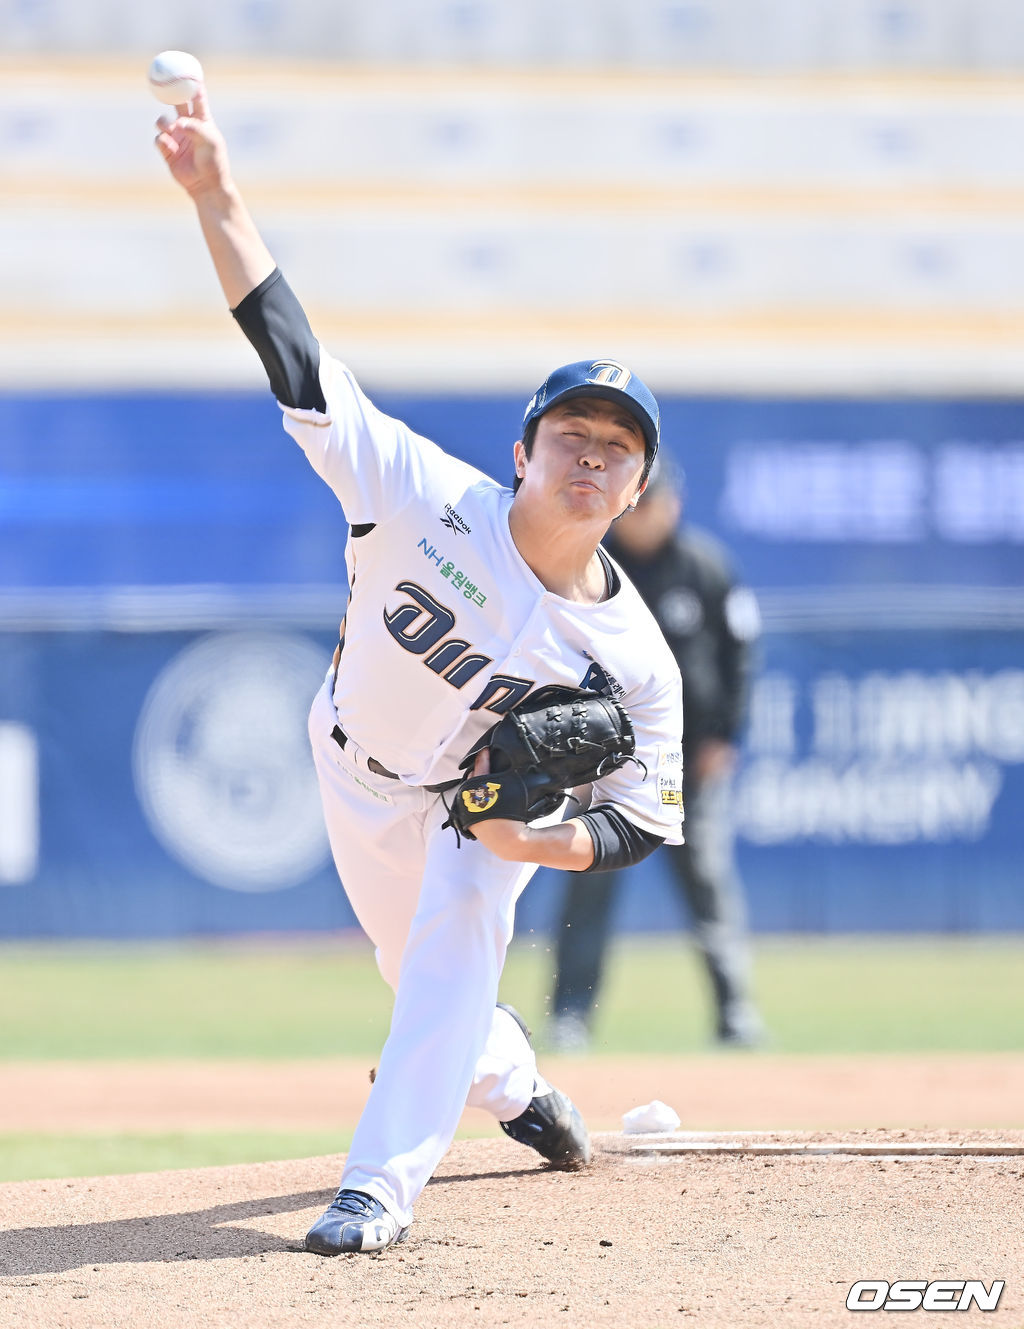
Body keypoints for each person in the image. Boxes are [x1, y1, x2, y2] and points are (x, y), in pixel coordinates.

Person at [154, 83, 683, 1254]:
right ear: (522, 452)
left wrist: (535, 843)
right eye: (571, 436)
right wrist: (217, 195)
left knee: (454, 944)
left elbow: (646, 816)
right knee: (423, 977)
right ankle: (514, 1084)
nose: (590, 459)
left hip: (469, 813)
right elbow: (292, 353)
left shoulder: (636, 657)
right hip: (349, 764)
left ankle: (374, 1192)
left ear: (637, 488)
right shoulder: (418, 492)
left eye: (616, 449)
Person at [549, 457, 764, 1050]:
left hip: (686, 766)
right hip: (605, 767)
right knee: (589, 884)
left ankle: (735, 1011)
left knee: (707, 883)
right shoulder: (590, 564)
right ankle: (570, 1015)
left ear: (675, 503)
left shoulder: (705, 568)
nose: (647, 513)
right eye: (639, 502)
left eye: (656, 501)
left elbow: (741, 656)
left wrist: (726, 736)